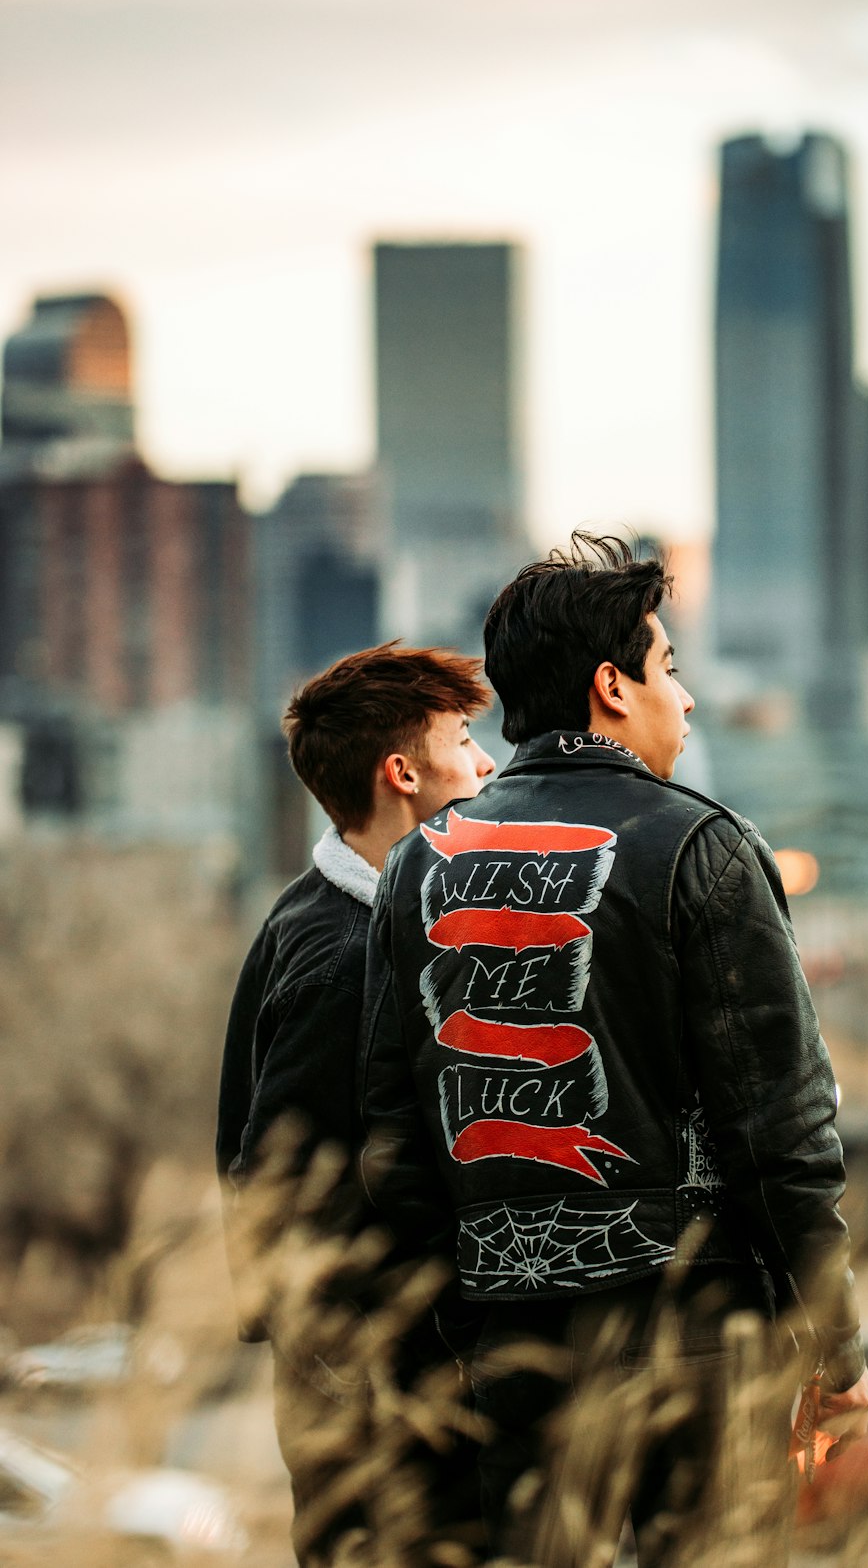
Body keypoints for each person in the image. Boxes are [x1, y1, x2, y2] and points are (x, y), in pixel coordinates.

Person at [360, 535, 868, 1564]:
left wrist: (438, 1348)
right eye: (669, 669)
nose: (684, 701)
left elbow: (391, 1139)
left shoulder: (421, 864)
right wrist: (837, 1344)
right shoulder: (702, 847)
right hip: (701, 1339)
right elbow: (782, 1132)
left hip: (508, 1339)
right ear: (611, 685)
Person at [216, 642, 494, 1565]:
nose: (486, 761)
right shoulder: (347, 954)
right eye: (464, 738)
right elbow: (282, 1190)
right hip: (381, 1406)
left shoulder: (335, 919)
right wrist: (368, 1375)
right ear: (402, 774)